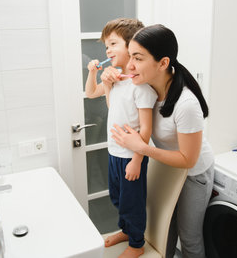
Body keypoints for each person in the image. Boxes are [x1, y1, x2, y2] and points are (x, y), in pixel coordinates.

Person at [109, 24, 215, 258]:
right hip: (168, 166)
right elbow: (117, 108)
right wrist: (108, 82)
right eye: (130, 56)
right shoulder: (145, 88)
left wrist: (142, 149)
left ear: (163, 63)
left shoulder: (186, 104)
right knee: (163, 231)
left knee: (189, 237)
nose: (130, 65)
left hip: (194, 174)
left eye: (138, 58)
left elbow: (188, 159)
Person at [85, 18, 157, 258]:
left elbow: (145, 129)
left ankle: (137, 244)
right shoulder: (116, 80)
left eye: (113, 44)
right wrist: (96, 74)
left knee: (132, 203)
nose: (107, 50)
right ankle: (126, 231)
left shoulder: (142, 88)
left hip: (131, 156)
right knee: (118, 197)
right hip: (114, 152)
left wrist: (137, 159)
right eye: (106, 46)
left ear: (132, 47)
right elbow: (92, 94)